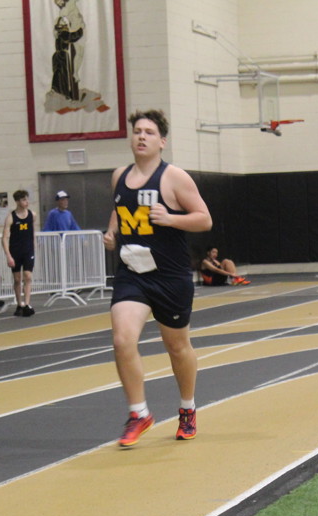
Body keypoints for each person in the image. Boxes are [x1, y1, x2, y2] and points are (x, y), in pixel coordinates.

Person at [103, 109, 212, 447]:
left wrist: (171, 219)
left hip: (170, 276)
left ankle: (187, 408)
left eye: (149, 132)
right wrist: (111, 232)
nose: (141, 136)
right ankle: (139, 413)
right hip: (132, 274)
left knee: (177, 347)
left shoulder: (175, 178)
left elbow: (204, 219)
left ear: (162, 141)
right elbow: (119, 208)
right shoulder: (119, 175)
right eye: (137, 131)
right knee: (122, 340)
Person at [2, 189, 36, 316]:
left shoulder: (32, 215)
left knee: (28, 276)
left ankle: (27, 304)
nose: (26, 202)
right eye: (23, 200)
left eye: (27, 199)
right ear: (17, 201)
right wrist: (8, 256)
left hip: (28, 250)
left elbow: (32, 232)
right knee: (17, 279)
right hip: (15, 251)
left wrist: (34, 247)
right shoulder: (11, 217)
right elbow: (4, 238)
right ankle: (19, 304)